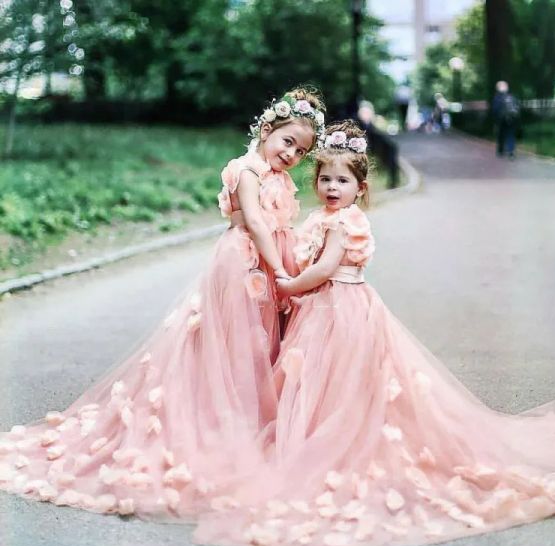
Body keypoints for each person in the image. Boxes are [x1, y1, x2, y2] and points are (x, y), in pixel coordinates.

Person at [192, 120, 555, 546]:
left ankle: (335, 443)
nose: (332, 187)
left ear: (360, 188)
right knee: (314, 377)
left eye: (343, 181)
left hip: (340, 308)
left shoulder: (343, 223)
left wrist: (290, 286)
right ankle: (313, 438)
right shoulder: (320, 216)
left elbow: (326, 268)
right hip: (320, 309)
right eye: (326, 179)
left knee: (341, 375)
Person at [0, 87, 326, 522]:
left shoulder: (281, 179)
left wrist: (299, 259)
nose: (292, 154)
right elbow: (255, 221)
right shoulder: (247, 170)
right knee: (237, 340)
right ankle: (225, 422)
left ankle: (255, 422)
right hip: (246, 262)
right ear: (268, 130)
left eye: (302, 151)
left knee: (266, 340)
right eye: (288, 141)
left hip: (273, 262)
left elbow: (285, 226)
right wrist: (281, 272)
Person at [492, 80, 520, 158]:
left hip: (501, 120)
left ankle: (500, 151)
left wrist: (495, 120)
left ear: (498, 88)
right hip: (512, 119)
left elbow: (495, 110)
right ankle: (511, 152)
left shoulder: (497, 97)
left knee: (501, 135)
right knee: (511, 135)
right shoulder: (511, 96)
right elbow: (517, 106)